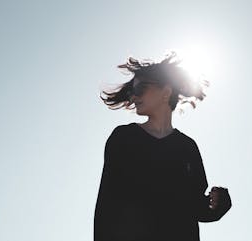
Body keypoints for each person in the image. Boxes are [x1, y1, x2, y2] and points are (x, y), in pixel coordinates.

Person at [95, 52, 232, 241]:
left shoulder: (188, 147)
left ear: (166, 92)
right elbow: (107, 206)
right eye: (132, 91)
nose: (134, 97)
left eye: (141, 88)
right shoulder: (123, 138)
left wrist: (218, 205)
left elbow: (195, 207)